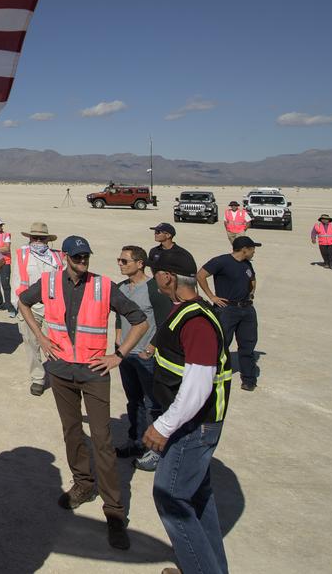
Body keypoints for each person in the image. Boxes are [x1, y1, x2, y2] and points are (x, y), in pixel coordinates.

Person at [16, 235, 148, 550]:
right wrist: (41, 337)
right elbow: (23, 302)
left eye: (86, 257)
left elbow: (139, 321)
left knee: (101, 440)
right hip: (61, 372)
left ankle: (115, 512)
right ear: (66, 259)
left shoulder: (104, 287)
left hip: (94, 374)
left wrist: (119, 354)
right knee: (72, 432)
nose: (82, 263)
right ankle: (83, 485)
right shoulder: (48, 283)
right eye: (77, 258)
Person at [143, 247, 234, 574]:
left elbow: (198, 386)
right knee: (197, 497)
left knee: (170, 498)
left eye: (156, 274)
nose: (155, 280)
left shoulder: (197, 322)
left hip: (193, 427)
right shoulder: (184, 309)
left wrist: (163, 426)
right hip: (191, 424)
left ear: (167, 276)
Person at [114, 244, 172, 472]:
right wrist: (118, 338)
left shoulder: (153, 289)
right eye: (119, 260)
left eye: (124, 261)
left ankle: (155, 449)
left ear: (140, 264)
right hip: (126, 355)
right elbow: (119, 317)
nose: (120, 264)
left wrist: (151, 348)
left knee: (153, 404)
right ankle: (136, 441)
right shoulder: (120, 288)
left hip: (146, 355)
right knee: (134, 401)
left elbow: (165, 322)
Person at [197, 236, 262, 391]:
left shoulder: (247, 264)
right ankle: (212, 376)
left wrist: (251, 294)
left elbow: (252, 279)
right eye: (252, 249)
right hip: (227, 310)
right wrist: (212, 296)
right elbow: (200, 275)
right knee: (221, 344)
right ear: (244, 249)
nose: (254, 252)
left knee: (247, 345)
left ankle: (249, 379)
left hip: (247, 310)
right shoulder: (221, 261)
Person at [13, 221, 65, 396]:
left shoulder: (57, 257)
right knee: (31, 343)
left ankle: (58, 376)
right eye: (34, 237)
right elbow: (16, 278)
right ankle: (38, 378)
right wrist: (17, 304)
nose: (37, 241)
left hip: (53, 307)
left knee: (56, 343)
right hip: (30, 307)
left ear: (47, 240)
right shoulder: (22, 254)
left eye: (41, 238)